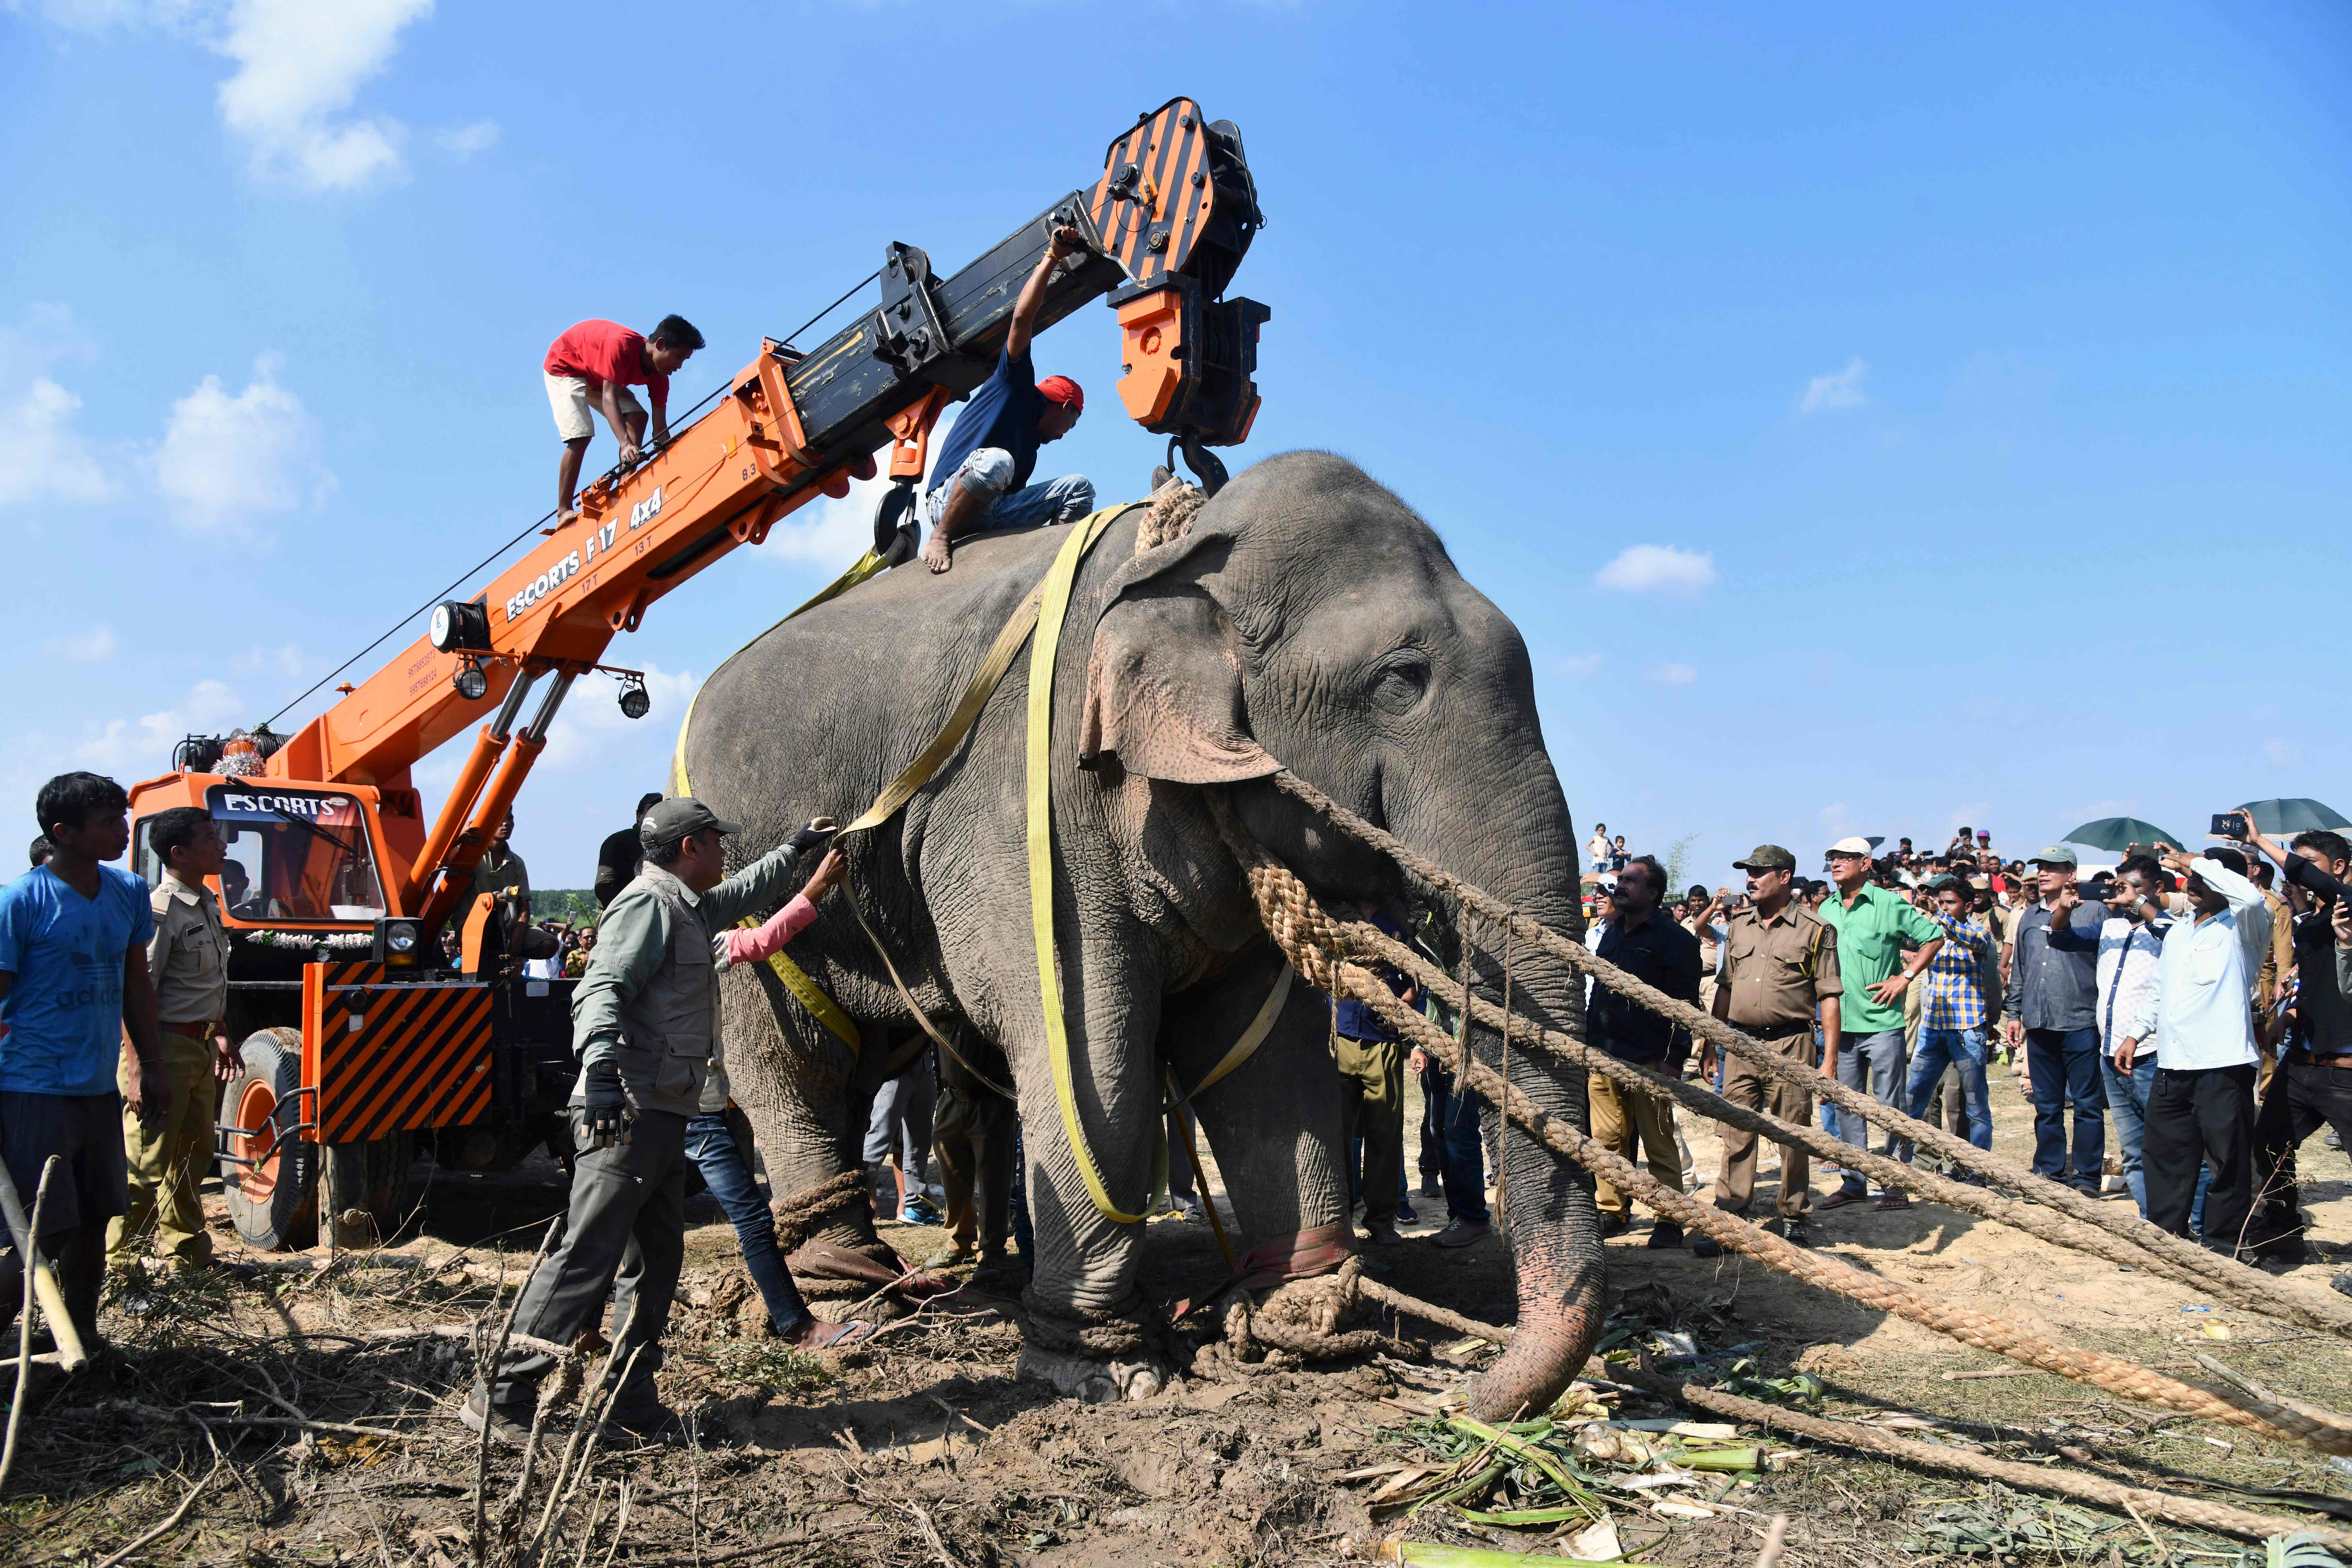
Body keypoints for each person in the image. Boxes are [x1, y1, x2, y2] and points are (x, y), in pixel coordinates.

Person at [466, 800, 838, 1444]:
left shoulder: (690, 908)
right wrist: (604, 1074)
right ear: (690, 847)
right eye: (717, 842)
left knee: (657, 1258)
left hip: (664, 1112)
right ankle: (502, 1390)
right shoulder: (649, 905)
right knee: (588, 1252)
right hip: (628, 1111)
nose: (726, 853)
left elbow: (747, 890)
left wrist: (797, 850)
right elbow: (599, 988)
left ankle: (630, 1394)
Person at [0, 773, 167, 1354]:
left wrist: (149, 1063)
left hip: (97, 1086)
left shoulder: (126, 892)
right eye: (107, 822)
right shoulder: (21, 901)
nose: (124, 830)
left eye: (123, 817)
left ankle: (81, 1335)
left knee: (97, 1216)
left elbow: (136, 985)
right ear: (64, 833)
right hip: (32, 1086)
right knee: (46, 1226)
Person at [688, 841, 871, 1345]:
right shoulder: (663, 942)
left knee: (737, 1215)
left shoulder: (699, 943)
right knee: (617, 1221)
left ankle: (795, 1323)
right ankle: (581, 1326)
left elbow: (763, 939)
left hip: (686, 1109)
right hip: (671, 1110)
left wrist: (809, 879)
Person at [2117, 846, 2271, 1255]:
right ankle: (2167, 1245)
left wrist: (2195, 861)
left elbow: (2252, 897)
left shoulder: (2244, 925)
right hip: (2173, 1062)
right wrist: (2135, 1033)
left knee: (2227, 1161)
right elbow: (2160, 988)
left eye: (2205, 878)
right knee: (2166, 1157)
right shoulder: (2183, 928)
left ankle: (2223, 1248)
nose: (2194, 883)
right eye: (2193, 878)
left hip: (2224, 1064)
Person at [108, 807, 241, 1275]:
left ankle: (187, 1255)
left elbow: (204, 982)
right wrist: (143, 1067)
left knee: (191, 1156)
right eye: (211, 837)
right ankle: (118, 1270)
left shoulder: (206, 901)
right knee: (144, 1165)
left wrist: (220, 1032)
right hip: (162, 1050)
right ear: (179, 852)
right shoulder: (161, 909)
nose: (222, 844)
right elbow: (136, 988)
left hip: (198, 1049)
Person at [919, 226, 1094, 573]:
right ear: (1064, 406)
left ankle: (1051, 566)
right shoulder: (1014, 385)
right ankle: (941, 535)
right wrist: (1053, 257)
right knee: (998, 462)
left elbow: (1014, 499)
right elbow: (1021, 319)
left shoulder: (1030, 449)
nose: (1066, 433)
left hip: (992, 510)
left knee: (1079, 489)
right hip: (948, 499)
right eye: (1071, 423)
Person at [1696, 845, 1841, 1255]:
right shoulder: (1739, 925)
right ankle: (1731, 1216)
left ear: (1785, 877)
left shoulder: (1816, 929)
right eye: (1748, 872)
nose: (1750, 879)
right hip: (1740, 1044)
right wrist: (1712, 1044)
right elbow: (1725, 988)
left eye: (1759, 872)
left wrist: (1829, 1060)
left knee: (1792, 1134)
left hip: (1791, 1044)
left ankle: (1794, 1216)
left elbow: (1829, 996)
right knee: (1735, 1132)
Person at [2240, 824, 2352, 1258]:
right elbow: (2320, 983)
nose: (2299, 875)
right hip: (2305, 1060)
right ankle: (2284, 1230)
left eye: (2309, 865)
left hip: (2345, 1068)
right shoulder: (2317, 919)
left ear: (2339, 868)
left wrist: (2260, 844)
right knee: (2270, 1143)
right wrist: (2288, 1015)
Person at [1818, 837, 1943, 1212]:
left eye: (1844, 858)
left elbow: (1934, 937)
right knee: (1846, 1106)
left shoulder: (1889, 904)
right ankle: (1854, 1182)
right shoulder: (1826, 907)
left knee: (1891, 1107)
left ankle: (1895, 1186)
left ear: (1866, 863)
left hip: (1884, 1024)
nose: (1836, 863)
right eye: (1832, 858)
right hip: (1840, 1027)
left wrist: (1905, 977)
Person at [1586, 856, 1700, 1247]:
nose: (1621, 885)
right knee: (1607, 1138)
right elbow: (1599, 992)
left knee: (1659, 1142)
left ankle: (1669, 1218)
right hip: (1604, 1054)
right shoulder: (1612, 932)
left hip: (1650, 1059)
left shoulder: (1676, 940)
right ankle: (1611, 1210)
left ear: (1653, 893)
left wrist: (1674, 1059)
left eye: (1632, 881)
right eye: (1622, 879)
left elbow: (1686, 1008)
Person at [2003, 845, 2109, 1194]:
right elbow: (2020, 968)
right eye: (2042, 867)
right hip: (2039, 1021)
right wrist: (2015, 1013)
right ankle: (2049, 1173)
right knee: (2046, 1106)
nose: (2044, 873)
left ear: (2072, 875)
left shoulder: (2095, 910)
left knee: (2087, 1105)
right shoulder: (2029, 916)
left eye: (2053, 867)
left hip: (2081, 1020)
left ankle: (2086, 1177)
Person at [546, 315, 704, 527]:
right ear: (660, 345)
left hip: (598, 374)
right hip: (567, 366)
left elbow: (660, 432)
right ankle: (563, 510)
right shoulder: (620, 347)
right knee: (581, 435)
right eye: (678, 357)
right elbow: (609, 398)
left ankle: (626, 483)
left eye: (684, 360)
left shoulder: (660, 378)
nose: (679, 366)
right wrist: (625, 443)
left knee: (639, 416)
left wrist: (678, 452)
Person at [1332, 905, 1417, 1246]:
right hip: (1339, 1039)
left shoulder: (1397, 923)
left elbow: (1417, 984)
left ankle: (1381, 1220)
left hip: (1383, 1043)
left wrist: (1400, 1008)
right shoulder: (1334, 915)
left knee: (1384, 1134)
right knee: (1337, 1136)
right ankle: (1338, 1217)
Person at [2094, 856, 2174, 1217]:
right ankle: (2152, 1225)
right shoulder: (2111, 927)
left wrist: (2140, 904)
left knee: (2169, 1146)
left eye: (2135, 887)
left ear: (2158, 889)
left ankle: (2187, 1228)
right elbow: (2062, 936)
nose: (2125, 895)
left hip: (2151, 1051)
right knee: (2133, 1150)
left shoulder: (2173, 927)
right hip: (2110, 1050)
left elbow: (2174, 934)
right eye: (2120, 887)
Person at [1903, 874, 1998, 1162]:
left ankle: (1976, 1169)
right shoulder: (1932, 931)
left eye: (1951, 903)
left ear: (1968, 906)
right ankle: (1904, 1164)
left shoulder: (1980, 934)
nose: (1944, 907)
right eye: (1941, 902)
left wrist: (1937, 915)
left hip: (1967, 1030)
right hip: (1933, 1028)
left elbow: (1961, 935)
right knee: (1912, 1099)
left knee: (1975, 1104)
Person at [597, 793, 664, 910]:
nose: (657, 815)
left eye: (661, 811)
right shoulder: (618, 841)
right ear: (639, 817)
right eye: (652, 810)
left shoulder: (665, 845)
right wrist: (631, 912)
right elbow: (604, 888)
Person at [473, 812, 530, 909]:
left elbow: (525, 906)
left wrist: (519, 925)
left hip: (505, 923)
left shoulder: (518, 863)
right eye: (501, 818)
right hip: (469, 922)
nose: (507, 823)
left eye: (510, 818)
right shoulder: (469, 855)